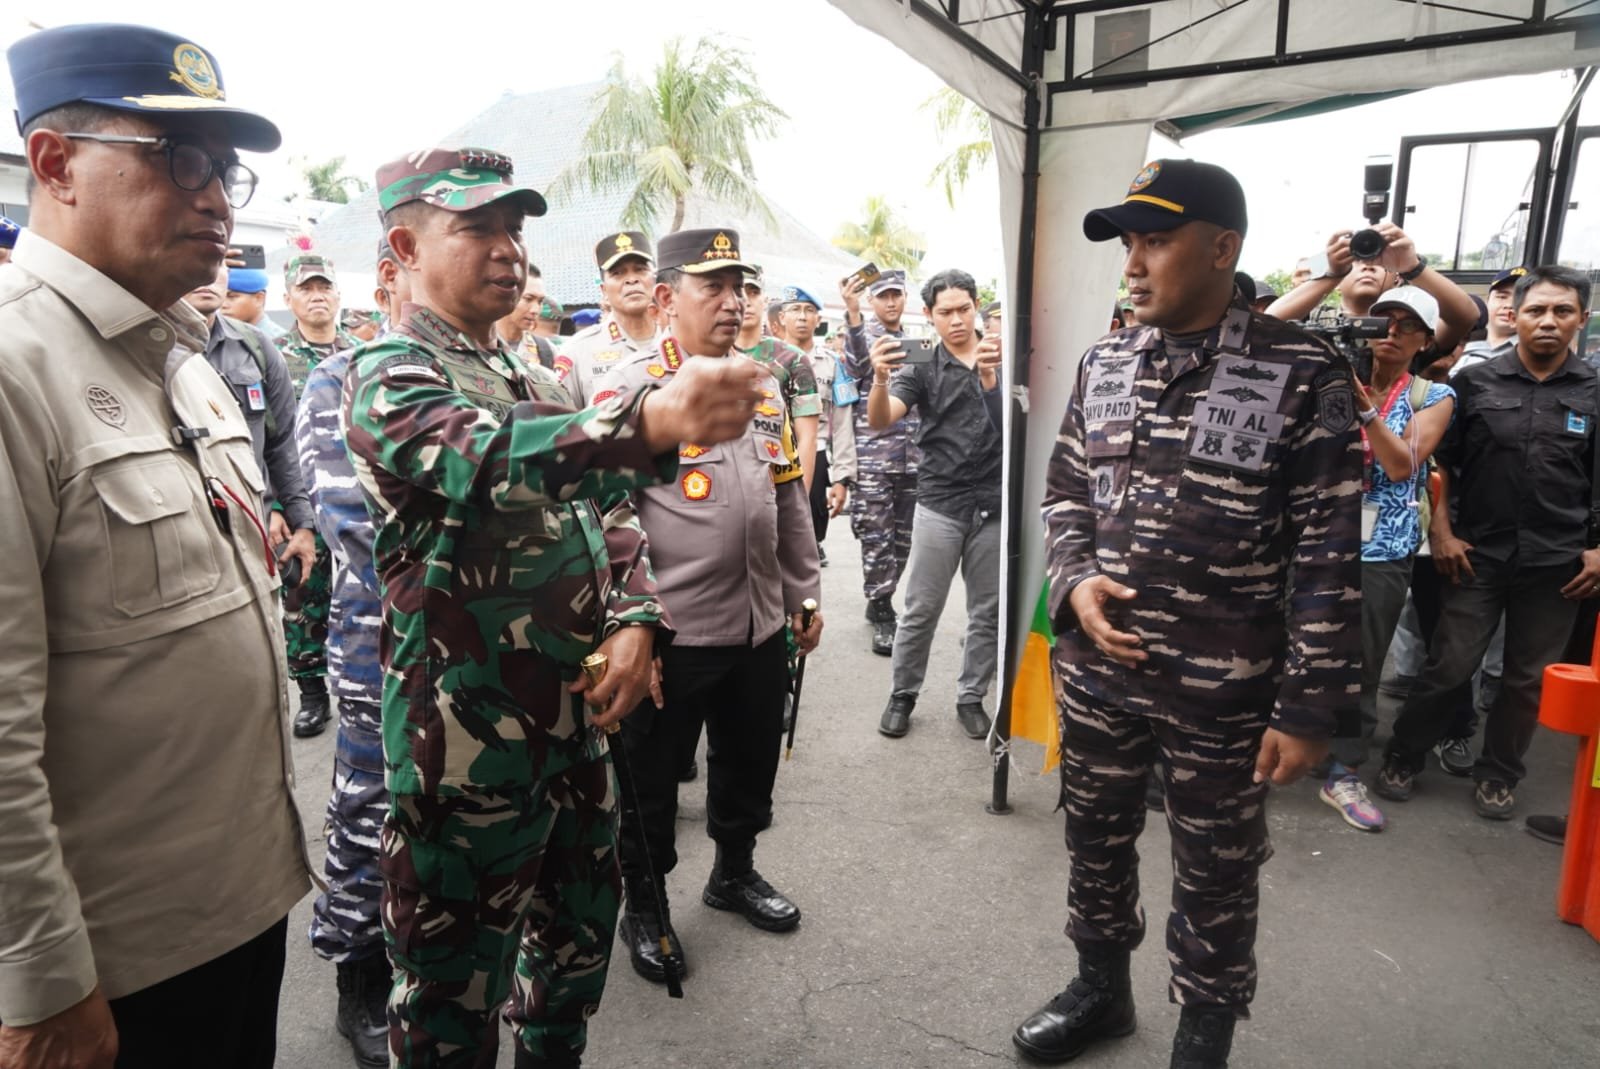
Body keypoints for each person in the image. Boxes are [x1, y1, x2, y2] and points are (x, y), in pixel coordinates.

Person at [342, 147, 765, 1067]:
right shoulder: (389, 373)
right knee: (452, 1003)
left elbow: (609, 510)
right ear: (404, 249)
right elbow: (487, 460)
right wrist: (650, 421)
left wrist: (637, 618)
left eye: (516, 229)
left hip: (576, 738)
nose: (509, 250)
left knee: (569, 974)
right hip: (464, 754)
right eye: (478, 227)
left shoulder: (536, 377)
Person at [0, 24, 310, 1068]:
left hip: (240, 903)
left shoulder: (185, 357)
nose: (217, 196)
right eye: (178, 158)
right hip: (112, 960)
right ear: (55, 164)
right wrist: (41, 974)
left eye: (225, 169)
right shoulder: (14, 365)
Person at [1014, 159, 1360, 1068]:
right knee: (1094, 831)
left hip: (1226, 688)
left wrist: (1308, 704)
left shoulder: (1301, 371)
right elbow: (1064, 494)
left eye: (1155, 240)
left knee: (1217, 868)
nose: (1133, 262)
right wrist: (1076, 578)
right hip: (1098, 669)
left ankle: (1203, 1036)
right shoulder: (1107, 359)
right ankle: (1101, 988)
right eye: (1128, 242)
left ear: (1222, 248)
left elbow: (1329, 549)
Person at [581, 229, 823, 989]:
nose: (733, 301)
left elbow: (787, 494)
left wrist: (803, 589)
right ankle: (645, 906)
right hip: (673, 632)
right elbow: (603, 520)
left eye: (741, 287)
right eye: (712, 286)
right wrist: (632, 627)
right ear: (665, 298)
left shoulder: (763, 382)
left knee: (748, 763)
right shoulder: (628, 390)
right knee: (651, 783)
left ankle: (734, 872)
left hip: (758, 620)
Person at [1376, 266, 1599, 820]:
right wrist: (1443, 532)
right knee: (1450, 665)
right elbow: (1441, 465)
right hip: (1476, 553)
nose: (1548, 322)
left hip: (1559, 562)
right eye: (1536, 310)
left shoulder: (1595, 390)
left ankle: (1499, 773)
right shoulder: (1476, 384)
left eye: (1562, 311)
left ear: (1582, 319)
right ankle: (1406, 754)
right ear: (1516, 316)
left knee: (1525, 681)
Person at [293, 239, 408, 1067]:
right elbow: (356, 526)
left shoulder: (505, 371)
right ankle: (358, 976)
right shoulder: (340, 378)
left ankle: (428, 962)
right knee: (370, 819)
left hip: (484, 662)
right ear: (393, 281)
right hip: (380, 650)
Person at [1321, 286, 1455, 832]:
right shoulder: (1329, 380)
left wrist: (1366, 408)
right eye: (1383, 322)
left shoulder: (1432, 396)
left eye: (1406, 325)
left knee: (1363, 658)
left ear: (1425, 340)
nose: (1392, 333)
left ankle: (1344, 767)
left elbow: (1402, 465)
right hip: (1318, 536)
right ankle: (1286, 746)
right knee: (1293, 646)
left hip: (1382, 549)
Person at [867, 269, 1002, 741]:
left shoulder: (1000, 355)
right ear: (928, 316)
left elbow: (1020, 424)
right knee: (922, 607)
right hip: (941, 501)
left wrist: (991, 378)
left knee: (987, 610)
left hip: (993, 504)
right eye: (945, 312)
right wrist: (880, 379)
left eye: (964, 308)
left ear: (977, 305)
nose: (957, 320)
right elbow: (882, 419)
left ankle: (972, 696)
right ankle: (903, 694)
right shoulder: (921, 363)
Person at [181, 260, 318, 587]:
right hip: (186, 541)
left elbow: (284, 442)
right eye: (200, 259)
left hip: (255, 535)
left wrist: (303, 523)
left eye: (219, 263)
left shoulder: (255, 347)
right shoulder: (148, 349)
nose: (209, 274)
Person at [276, 252, 358, 738]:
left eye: (324, 286)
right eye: (306, 288)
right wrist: (278, 504)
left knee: (361, 593)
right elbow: (270, 437)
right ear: (290, 299)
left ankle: (360, 685)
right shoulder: (275, 354)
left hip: (358, 497)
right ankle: (311, 694)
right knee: (304, 593)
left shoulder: (361, 353)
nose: (317, 295)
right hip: (303, 499)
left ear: (338, 295)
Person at [841, 269, 922, 656]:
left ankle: (883, 595)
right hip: (873, 457)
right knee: (876, 537)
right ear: (873, 301)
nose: (891, 302)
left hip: (912, 459)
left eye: (897, 295)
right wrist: (853, 314)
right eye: (884, 296)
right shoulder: (862, 338)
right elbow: (857, 366)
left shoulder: (917, 344)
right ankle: (882, 604)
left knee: (903, 539)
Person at [780, 284, 857, 562]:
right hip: (772, 454)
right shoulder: (765, 358)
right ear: (781, 318)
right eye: (795, 310)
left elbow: (843, 422)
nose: (802, 317)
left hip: (817, 455)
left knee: (809, 536)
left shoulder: (834, 365)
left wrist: (842, 478)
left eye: (809, 311)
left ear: (818, 320)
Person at [556, 231, 660, 401]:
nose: (631, 279)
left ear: (655, 280)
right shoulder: (577, 351)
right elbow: (564, 422)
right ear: (604, 290)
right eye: (618, 273)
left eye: (640, 269)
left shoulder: (682, 340)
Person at [495, 269, 556, 371]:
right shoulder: (477, 346)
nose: (535, 310)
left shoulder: (546, 351)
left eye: (540, 301)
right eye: (528, 299)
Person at [222, 264, 287, 340]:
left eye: (232, 296)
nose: (223, 305)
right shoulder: (220, 337)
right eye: (221, 297)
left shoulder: (279, 343)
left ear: (259, 299)